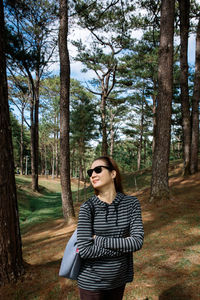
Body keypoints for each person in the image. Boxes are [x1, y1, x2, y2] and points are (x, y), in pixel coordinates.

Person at [77, 156, 144, 300]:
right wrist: (123, 246)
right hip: (91, 284)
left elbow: (137, 242)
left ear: (113, 174)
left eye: (98, 170)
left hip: (119, 282)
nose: (93, 175)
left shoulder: (132, 204)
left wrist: (99, 240)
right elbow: (84, 250)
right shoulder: (87, 208)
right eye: (90, 172)